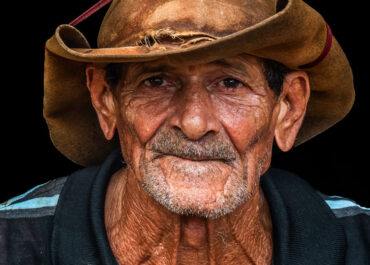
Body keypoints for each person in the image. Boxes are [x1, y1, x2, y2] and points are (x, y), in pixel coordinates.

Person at [1, 0, 369, 264]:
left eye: (229, 83)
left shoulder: (361, 240)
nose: (193, 124)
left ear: (288, 107)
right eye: (156, 81)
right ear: (105, 101)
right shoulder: (11, 241)